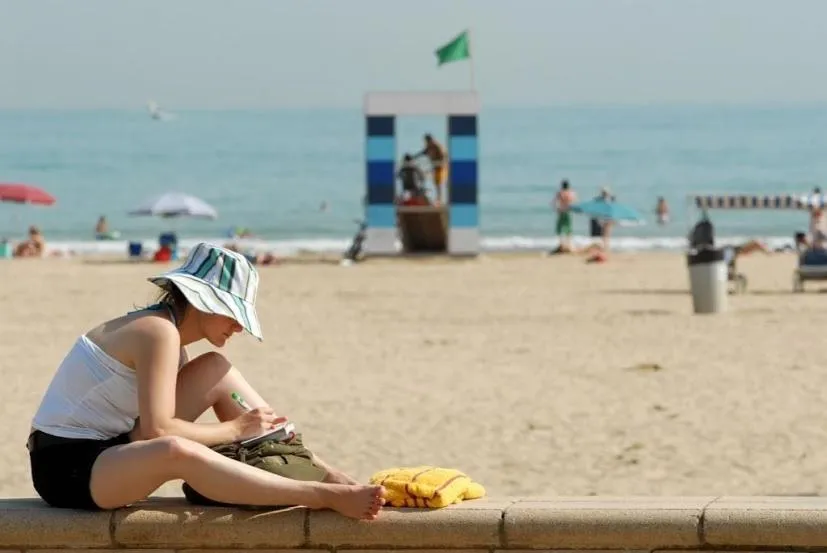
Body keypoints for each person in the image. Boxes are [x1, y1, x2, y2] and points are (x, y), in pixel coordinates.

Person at [26, 242, 385, 518]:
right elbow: (157, 431)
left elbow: (149, 430)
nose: (239, 327)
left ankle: (329, 475)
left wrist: (244, 429)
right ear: (202, 301)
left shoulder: (169, 337)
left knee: (216, 369)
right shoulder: (158, 332)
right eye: (233, 313)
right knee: (175, 449)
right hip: (67, 468)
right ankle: (320, 494)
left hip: (114, 445)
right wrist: (235, 430)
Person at [414, 134, 447, 204]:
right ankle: (437, 198)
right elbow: (422, 153)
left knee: (438, 183)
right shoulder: (428, 147)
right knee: (435, 182)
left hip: (439, 167)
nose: (426, 143)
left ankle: (439, 199)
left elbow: (443, 156)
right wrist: (413, 157)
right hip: (434, 167)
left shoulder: (436, 146)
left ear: (430, 140)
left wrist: (440, 163)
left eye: (427, 141)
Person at [552, 180, 577, 252]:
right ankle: (569, 244)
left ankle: (561, 244)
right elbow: (575, 201)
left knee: (559, 227)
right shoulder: (571, 193)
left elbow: (554, 202)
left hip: (561, 211)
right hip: (568, 211)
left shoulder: (560, 193)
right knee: (569, 228)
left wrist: (557, 209)